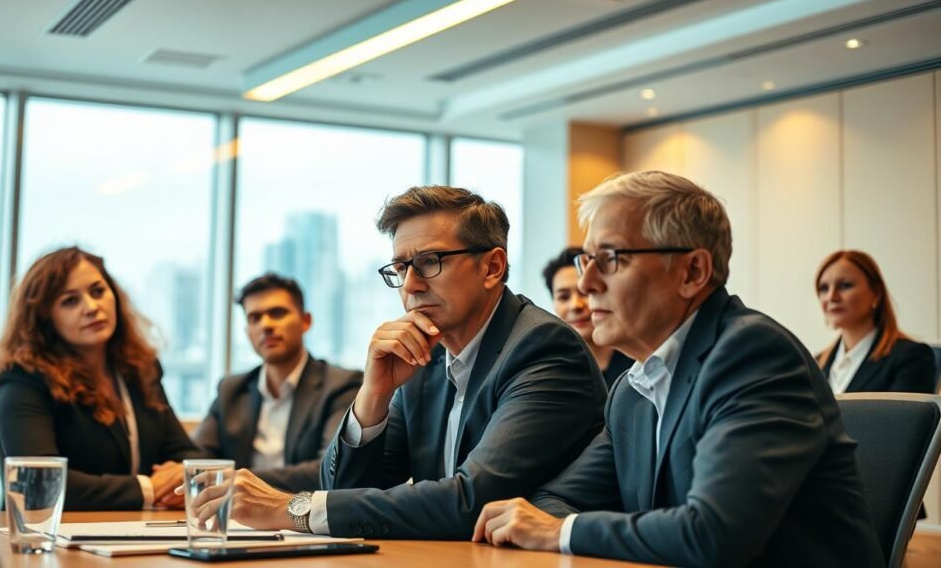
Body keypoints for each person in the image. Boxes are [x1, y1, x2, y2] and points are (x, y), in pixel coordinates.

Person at [474, 171, 882, 567]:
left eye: (611, 258)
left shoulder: (753, 355)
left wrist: (561, 532)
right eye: (587, 261)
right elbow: (552, 502)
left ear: (693, 272)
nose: (587, 285)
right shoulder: (632, 389)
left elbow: (714, 534)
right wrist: (556, 524)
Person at [190, 185, 606, 539]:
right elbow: (343, 486)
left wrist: (293, 509)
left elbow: (472, 500)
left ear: (492, 267)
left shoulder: (543, 347)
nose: (410, 284)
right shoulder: (427, 354)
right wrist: (374, 394)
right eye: (401, 267)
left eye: (429, 262)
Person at [0, 246, 200, 511]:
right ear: (45, 318)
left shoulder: (140, 370)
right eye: (70, 301)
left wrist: (181, 477)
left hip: (134, 532)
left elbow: (187, 455)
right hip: (52, 539)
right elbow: (38, 482)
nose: (91, 307)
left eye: (98, 291)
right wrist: (149, 488)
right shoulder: (25, 377)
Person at [193, 273, 362, 491]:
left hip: (302, 517)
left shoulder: (341, 385)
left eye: (277, 313)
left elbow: (330, 468)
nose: (266, 325)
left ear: (305, 321)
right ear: (247, 331)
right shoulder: (231, 389)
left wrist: (234, 480)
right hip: (236, 516)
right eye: (254, 317)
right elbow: (198, 457)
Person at [816, 250, 935, 394]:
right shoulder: (816, 364)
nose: (831, 297)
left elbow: (900, 417)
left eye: (845, 285)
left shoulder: (911, 357)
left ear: (877, 292)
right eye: (824, 288)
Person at [543, 246, 632, 389]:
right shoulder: (549, 372)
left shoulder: (637, 363)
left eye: (584, 292)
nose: (575, 305)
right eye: (563, 297)